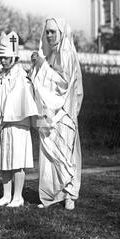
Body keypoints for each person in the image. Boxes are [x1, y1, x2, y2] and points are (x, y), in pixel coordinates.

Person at [30, 18, 83, 210]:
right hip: (48, 113)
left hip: (64, 113)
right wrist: (36, 66)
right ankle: (51, 195)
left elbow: (64, 83)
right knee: (49, 156)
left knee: (65, 154)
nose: (49, 35)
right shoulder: (50, 53)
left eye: (53, 31)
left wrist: (42, 66)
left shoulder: (67, 54)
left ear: (61, 32)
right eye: (47, 32)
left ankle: (69, 194)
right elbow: (38, 81)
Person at [0, 31, 39, 208]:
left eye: (6, 58)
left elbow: (17, 102)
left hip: (16, 126)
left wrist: (4, 121)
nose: (3, 61)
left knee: (17, 162)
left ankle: (18, 196)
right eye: (1, 58)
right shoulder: (0, 77)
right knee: (4, 161)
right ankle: (6, 195)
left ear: (14, 57)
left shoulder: (21, 77)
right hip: (1, 127)